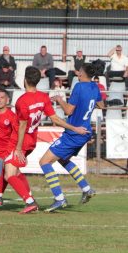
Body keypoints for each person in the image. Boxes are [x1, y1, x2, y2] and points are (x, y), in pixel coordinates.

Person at [0, 67, 88, 213]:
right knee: (10, 168)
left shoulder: (22, 101)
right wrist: (74, 128)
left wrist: (18, 148)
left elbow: (23, 125)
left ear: (25, 80)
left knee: (9, 174)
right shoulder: (43, 97)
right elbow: (55, 118)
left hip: (19, 141)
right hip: (31, 141)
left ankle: (29, 202)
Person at [39, 63, 105, 212]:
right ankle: (86, 188)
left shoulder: (79, 86)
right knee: (63, 159)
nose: (77, 72)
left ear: (82, 73)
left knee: (44, 162)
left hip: (74, 133)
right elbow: (101, 105)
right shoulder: (95, 87)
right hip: (85, 132)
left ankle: (59, 198)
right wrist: (88, 103)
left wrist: (59, 99)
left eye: (79, 70)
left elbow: (69, 111)